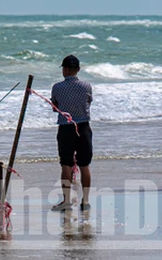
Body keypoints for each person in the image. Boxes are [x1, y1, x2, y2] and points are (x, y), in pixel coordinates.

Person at [51, 54, 93, 211]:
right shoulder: (86, 86)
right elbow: (88, 102)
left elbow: (55, 105)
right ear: (78, 70)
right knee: (85, 165)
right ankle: (86, 200)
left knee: (66, 164)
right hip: (83, 127)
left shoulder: (57, 87)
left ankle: (67, 200)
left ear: (65, 69)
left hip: (65, 127)